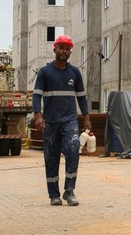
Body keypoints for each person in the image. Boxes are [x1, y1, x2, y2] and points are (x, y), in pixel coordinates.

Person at [33, 35, 91, 206]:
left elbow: (81, 96)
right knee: (51, 157)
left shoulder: (74, 73)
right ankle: (54, 195)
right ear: (55, 49)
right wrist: (38, 115)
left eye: (67, 49)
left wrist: (86, 117)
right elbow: (36, 95)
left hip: (69, 120)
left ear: (70, 51)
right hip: (50, 122)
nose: (64, 51)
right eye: (61, 48)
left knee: (73, 149)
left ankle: (69, 190)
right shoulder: (45, 72)